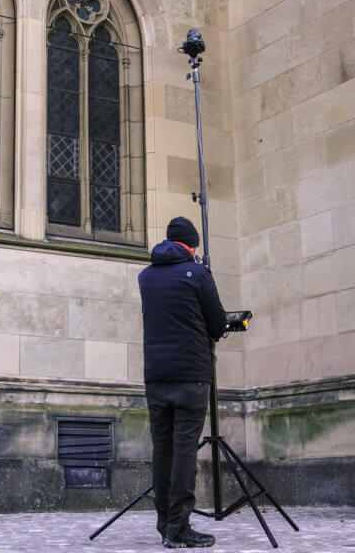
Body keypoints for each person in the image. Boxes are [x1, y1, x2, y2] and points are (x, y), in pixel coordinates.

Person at [138, 216, 228, 549]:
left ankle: (165, 525)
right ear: (191, 246)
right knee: (184, 452)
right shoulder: (198, 274)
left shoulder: (145, 277)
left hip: (156, 378)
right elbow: (217, 323)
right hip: (191, 376)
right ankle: (179, 527)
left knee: (162, 451)